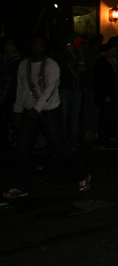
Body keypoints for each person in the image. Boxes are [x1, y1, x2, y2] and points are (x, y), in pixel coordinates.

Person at [4, 34, 90, 198]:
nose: (38, 48)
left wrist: (37, 108)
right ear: (30, 47)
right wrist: (18, 110)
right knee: (21, 148)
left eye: (41, 45)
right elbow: (21, 89)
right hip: (29, 111)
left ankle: (82, 174)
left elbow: (51, 89)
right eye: (35, 44)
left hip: (49, 111)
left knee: (59, 147)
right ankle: (20, 186)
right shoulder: (24, 65)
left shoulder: (51, 65)